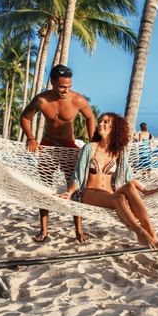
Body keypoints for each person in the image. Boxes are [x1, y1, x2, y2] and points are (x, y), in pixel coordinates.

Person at [59, 113, 158, 250]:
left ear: (115, 128)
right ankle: (141, 233)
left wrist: (145, 190)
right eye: (100, 121)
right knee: (119, 198)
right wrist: (69, 192)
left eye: (106, 122)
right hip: (88, 193)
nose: (101, 124)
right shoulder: (89, 148)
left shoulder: (118, 152)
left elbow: (127, 177)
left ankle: (151, 230)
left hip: (109, 193)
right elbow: (77, 176)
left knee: (129, 187)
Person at [20, 64, 96, 243]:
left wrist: (93, 140)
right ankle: (44, 230)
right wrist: (31, 138)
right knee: (44, 188)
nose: (65, 90)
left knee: (75, 188)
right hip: (48, 146)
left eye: (68, 87)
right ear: (53, 82)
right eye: (62, 87)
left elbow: (90, 117)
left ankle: (78, 230)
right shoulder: (42, 101)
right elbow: (25, 117)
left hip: (69, 147)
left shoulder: (77, 99)